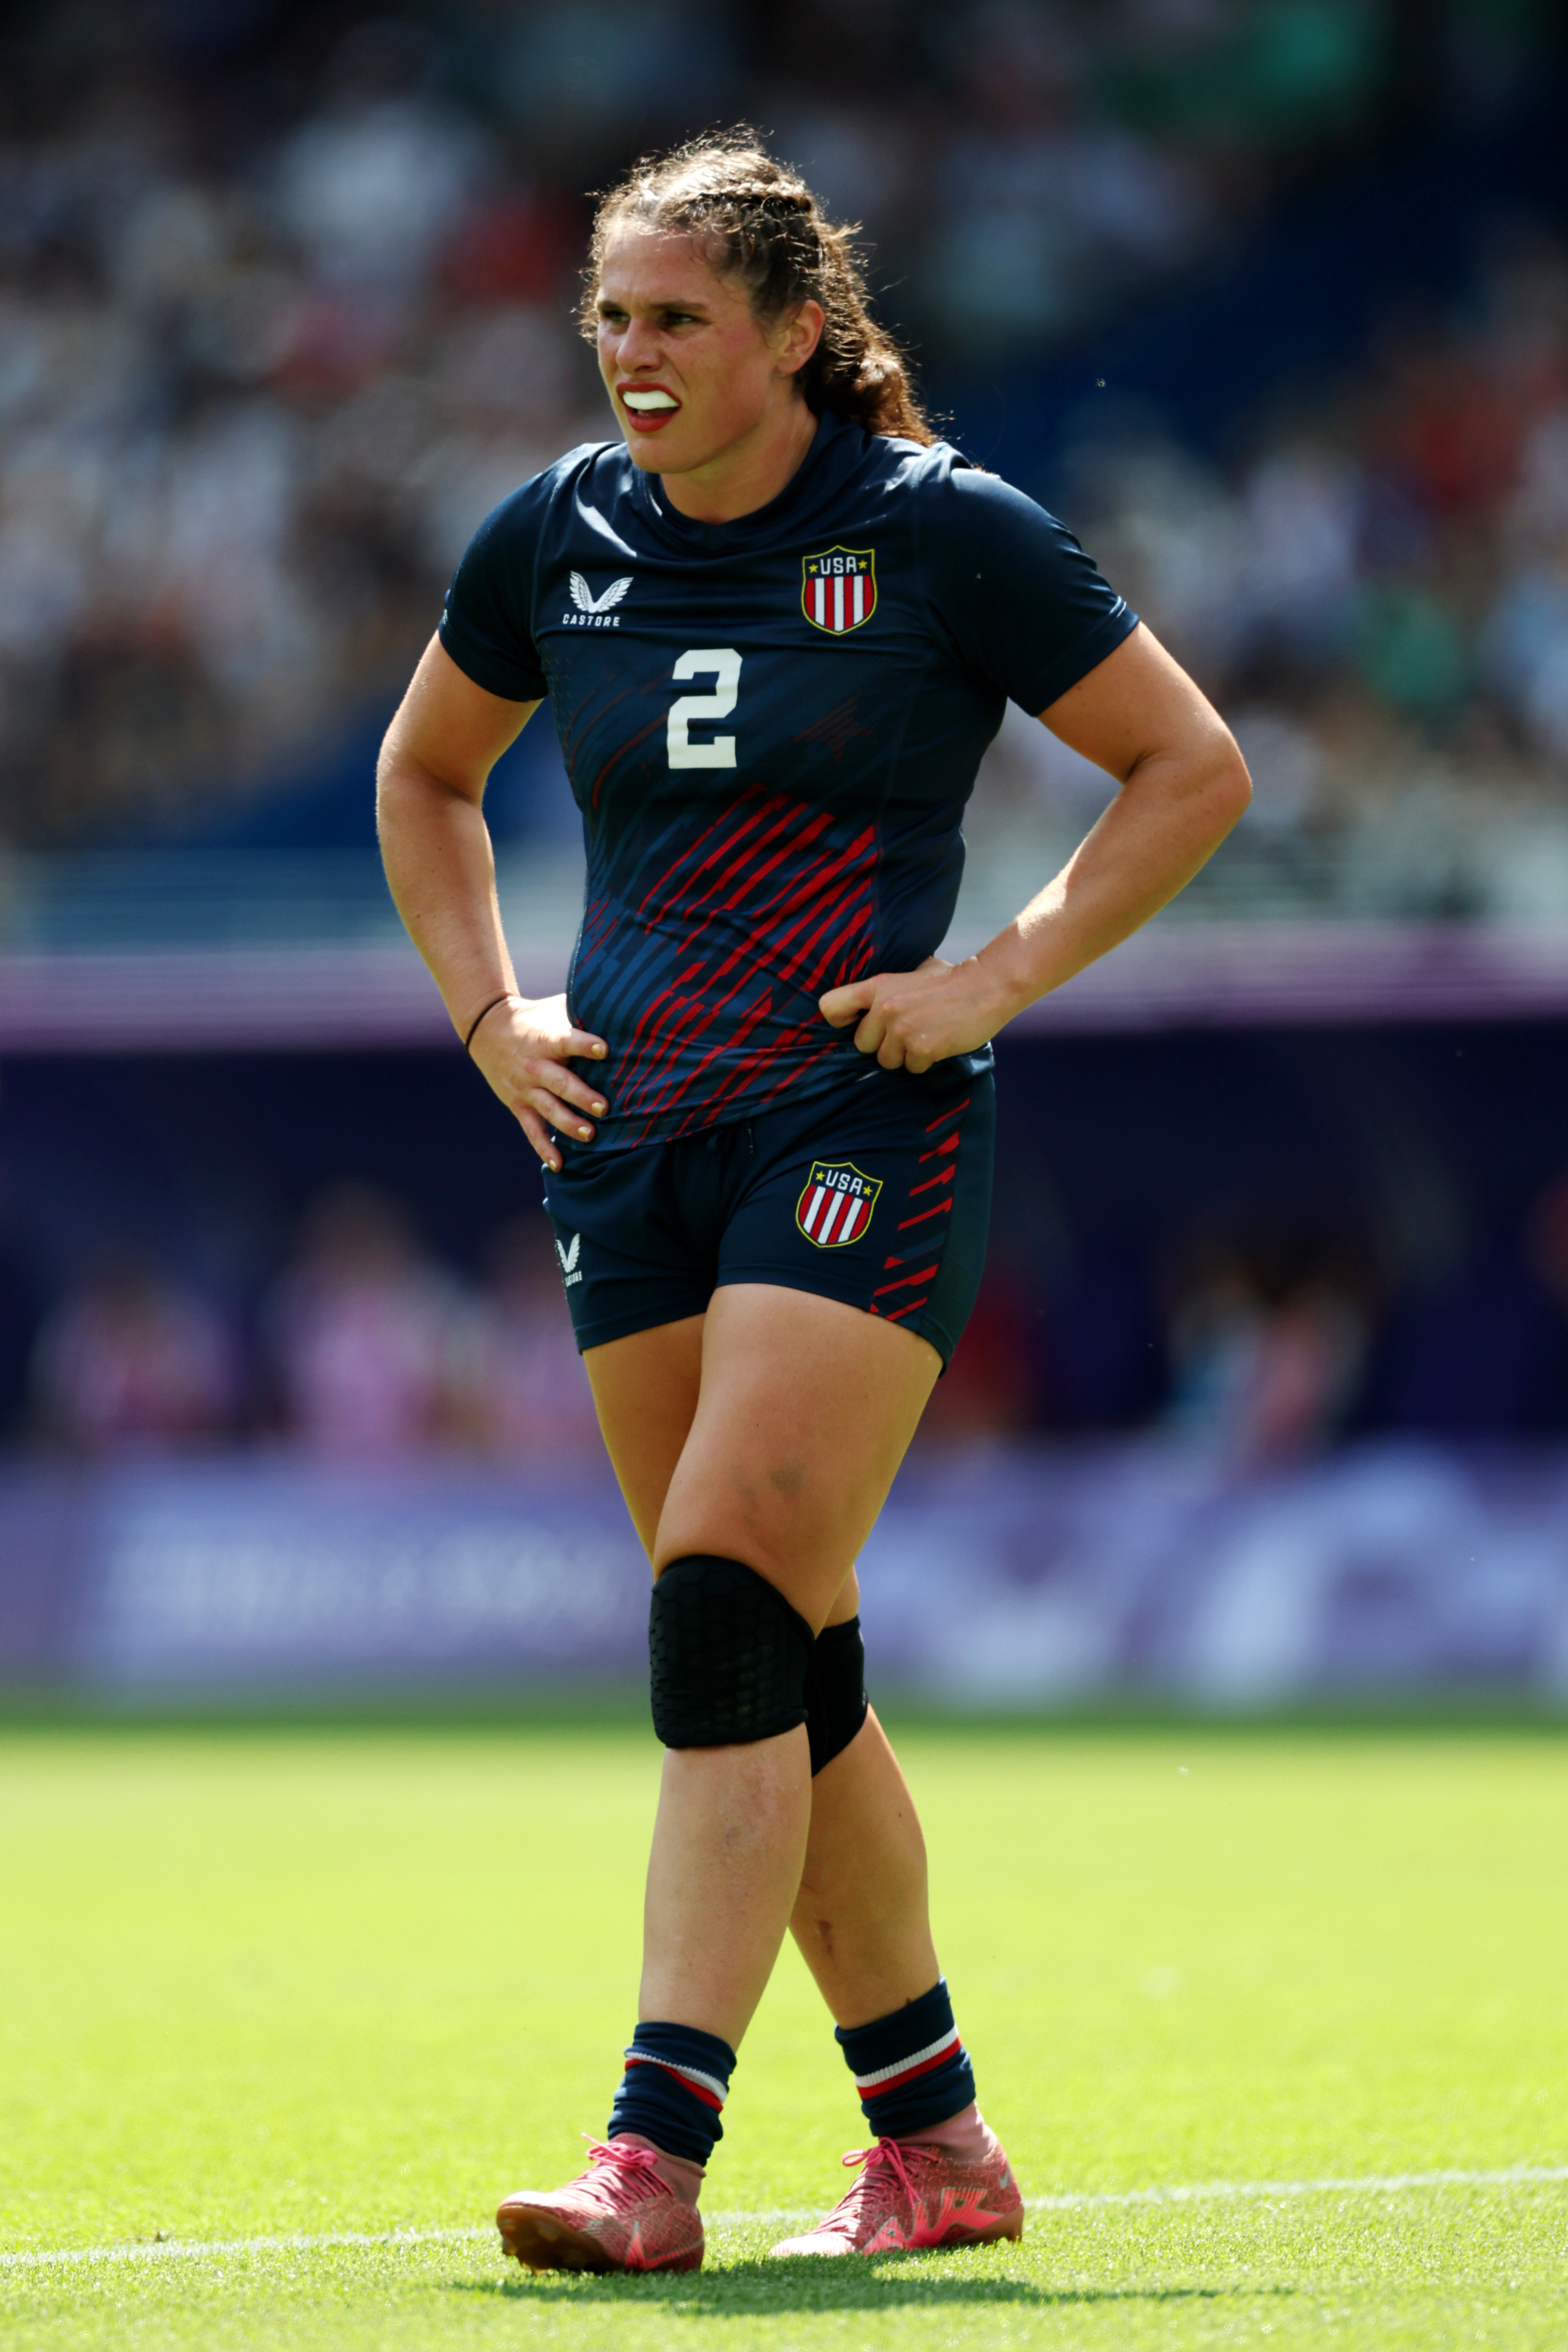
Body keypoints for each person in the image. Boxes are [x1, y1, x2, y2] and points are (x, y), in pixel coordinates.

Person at [377, 132, 1250, 2274]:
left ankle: (648, 2155)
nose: (631, 355)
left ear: (789, 332)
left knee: (721, 1596)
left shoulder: (943, 532)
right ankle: (935, 2146)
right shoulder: (551, 538)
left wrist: (994, 976)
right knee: (778, 1658)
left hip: (855, 1113)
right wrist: (493, 1018)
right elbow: (425, 773)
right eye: (610, 316)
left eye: (675, 318)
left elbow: (1189, 763)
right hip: (624, 1136)